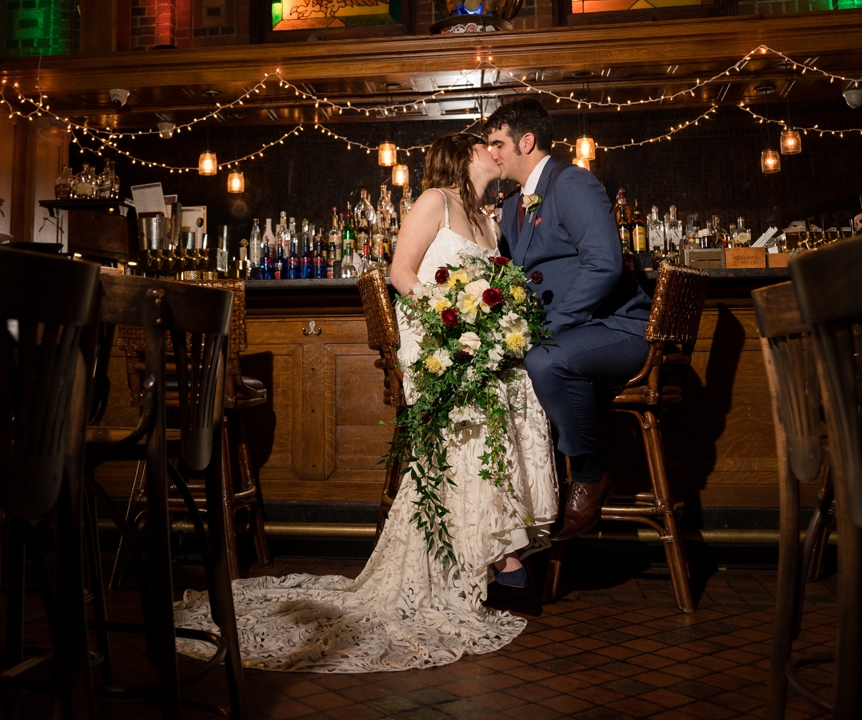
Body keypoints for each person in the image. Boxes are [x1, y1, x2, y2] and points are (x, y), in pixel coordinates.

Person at [171, 133, 557, 672]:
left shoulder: (493, 223)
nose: (496, 152)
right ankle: (501, 557)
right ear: (460, 156)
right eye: (483, 146)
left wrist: (492, 319)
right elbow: (401, 273)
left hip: (470, 340)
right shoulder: (434, 202)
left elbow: (492, 288)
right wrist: (451, 316)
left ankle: (495, 548)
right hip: (435, 341)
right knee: (484, 391)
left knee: (521, 384)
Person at [485, 98, 652, 540]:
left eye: (498, 143)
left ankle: (590, 472)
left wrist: (549, 327)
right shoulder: (510, 207)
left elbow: (604, 263)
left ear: (527, 141)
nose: (492, 153)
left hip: (617, 328)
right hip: (570, 332)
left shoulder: (572, 182)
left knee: (544, 361)